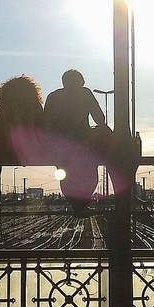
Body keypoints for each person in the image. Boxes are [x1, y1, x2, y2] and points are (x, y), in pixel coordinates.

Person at [44, 69, 108, 209]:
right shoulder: (85, 93)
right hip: (84, 142)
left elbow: (45, 125)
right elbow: (100, 119)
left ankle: (75, 202)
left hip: (60, 146)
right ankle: (82, 201)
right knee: (105, 136)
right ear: (80, 82)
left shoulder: (53, 96)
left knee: (65, 171)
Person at [0, 75, 45, 165]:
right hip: (32, 147)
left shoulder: (3, 107)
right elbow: (41, 127)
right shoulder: (35, 106)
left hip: (6, 147)